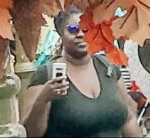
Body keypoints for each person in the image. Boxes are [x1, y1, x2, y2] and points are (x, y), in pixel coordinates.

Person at [22, 9, 140, 138]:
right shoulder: (45, 75)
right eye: (73, 29)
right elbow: (30, 133)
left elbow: (128, 120)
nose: (80, 34)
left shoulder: (109, 69)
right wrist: (43, 99)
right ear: (61, 33)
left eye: (86, 29)